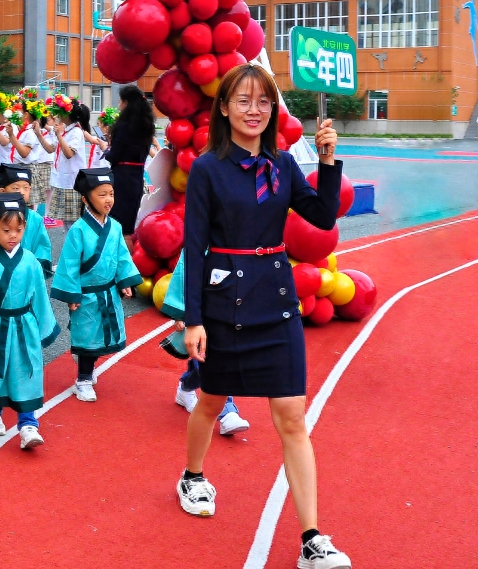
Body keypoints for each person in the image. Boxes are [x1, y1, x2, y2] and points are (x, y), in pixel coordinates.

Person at [176, 64, 349, 569]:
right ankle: (193, 475)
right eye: (244, 100)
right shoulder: (208, 168)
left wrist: (328, 161)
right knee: (209, 402)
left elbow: (321, 216)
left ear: (273, 110)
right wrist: (192, 320)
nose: (255, 110)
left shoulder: (283, 164)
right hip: (223, 301)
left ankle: (312, 539)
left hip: (275, 301)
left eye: (264, 101)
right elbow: (194, 244)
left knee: (292, 416)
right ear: (225, 107)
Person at [0, 192, 60, 450]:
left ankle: (28, 424)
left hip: (24, 325)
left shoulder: (30, 260)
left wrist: (44, 327)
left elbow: (40, 296)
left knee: (26, 370)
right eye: (6, 230)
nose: (13, 236)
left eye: (18, 230)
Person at [51, 168, 141, 401]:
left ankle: (86, 366)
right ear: (85, 199)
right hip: (86, 293)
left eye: (110, 193)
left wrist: (125, 281)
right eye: (101, 195)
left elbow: (122, 256)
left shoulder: (116, 227)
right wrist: (72, 295)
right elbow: (69, 264)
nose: (108, 199)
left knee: (101, 336)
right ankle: (82, 379)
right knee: (87, 335)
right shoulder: (78, 230)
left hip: (108, 292)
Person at [158, 249, 250, 432]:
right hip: (203, 315)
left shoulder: (241, 239)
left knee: (214, 361)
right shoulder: (200, 240)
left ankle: (186, 387)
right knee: (213, 361)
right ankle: (227, 413)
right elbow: (183, 275)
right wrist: (180, 313)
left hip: (231, 313)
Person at [106, 85, 156, 247]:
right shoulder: (147, 126)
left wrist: (106, 150)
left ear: (126, 103)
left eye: (120, 101)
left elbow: (114, 156)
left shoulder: (123, 126)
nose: (119, 104)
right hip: (136, 177)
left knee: (117, 226)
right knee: (128, 228)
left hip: (121, 178)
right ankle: (129, 267)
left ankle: (118, 267)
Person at [0, 164, 52, 278]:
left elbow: (42, 248)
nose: (22, 192)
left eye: (26, 188)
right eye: (16, 188)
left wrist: (35, 269)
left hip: (28, 274)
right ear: (2, 191)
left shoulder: (36, 219)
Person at [48, 100, 90, 225]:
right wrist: (40, 135)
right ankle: (70, 243)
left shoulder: (76, 132)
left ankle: (74, 244)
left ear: (67, 115)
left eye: (60, 113)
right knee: (67, 221)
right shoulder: (67, 131)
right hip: (65, 181)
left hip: (72, 182)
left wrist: (59, 136)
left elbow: (69, 154)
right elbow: (51, 148)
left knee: (73, 222)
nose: (58, 116)